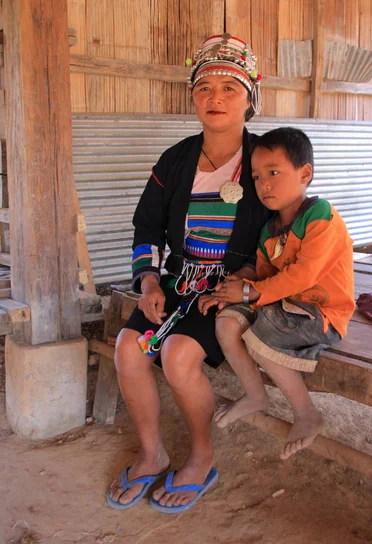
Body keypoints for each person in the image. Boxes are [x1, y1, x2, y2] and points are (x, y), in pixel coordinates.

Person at [107, 34, 270, 513]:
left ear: (249, 99)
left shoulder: (265, 160)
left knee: (178, 354)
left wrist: (247, 281)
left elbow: (284, 227)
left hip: (232, 292)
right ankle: (153, 452)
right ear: (192, 96)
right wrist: (149, 281)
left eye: (229, 88)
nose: (215, 98)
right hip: (177, 286)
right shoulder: (176, 160)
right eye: (204, 88)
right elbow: (146, 225)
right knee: (128, 349)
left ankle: (201, 458)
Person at [199, 127, 355, 461]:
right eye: (256, 176)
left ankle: (305, 414)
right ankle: (255, 395)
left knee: (262, 333)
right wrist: (231, 287)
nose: (263, 184)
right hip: (280, 304)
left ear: (305, 174)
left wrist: (249, 293)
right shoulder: (269, 229)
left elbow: (302, 276)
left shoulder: (320, 216)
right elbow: (261, 271)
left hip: (321, 314)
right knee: (226, 322)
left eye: (273, 172)